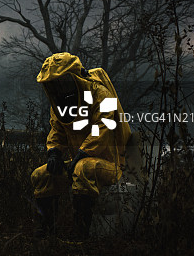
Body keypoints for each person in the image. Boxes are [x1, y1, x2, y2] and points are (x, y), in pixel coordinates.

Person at [30, 52, 130, 240]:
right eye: (53, 83)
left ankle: (80, 233)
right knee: (41, 175)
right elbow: (57, 133)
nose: (58, 87)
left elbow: (103, 128)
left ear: (74, 77)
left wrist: (82, 154)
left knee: (83, 169)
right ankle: (46, 232)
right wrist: (54, 153)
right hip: (79, 162)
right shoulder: (58, 105)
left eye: (62, 81)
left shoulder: (100, 94)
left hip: (110, 164)